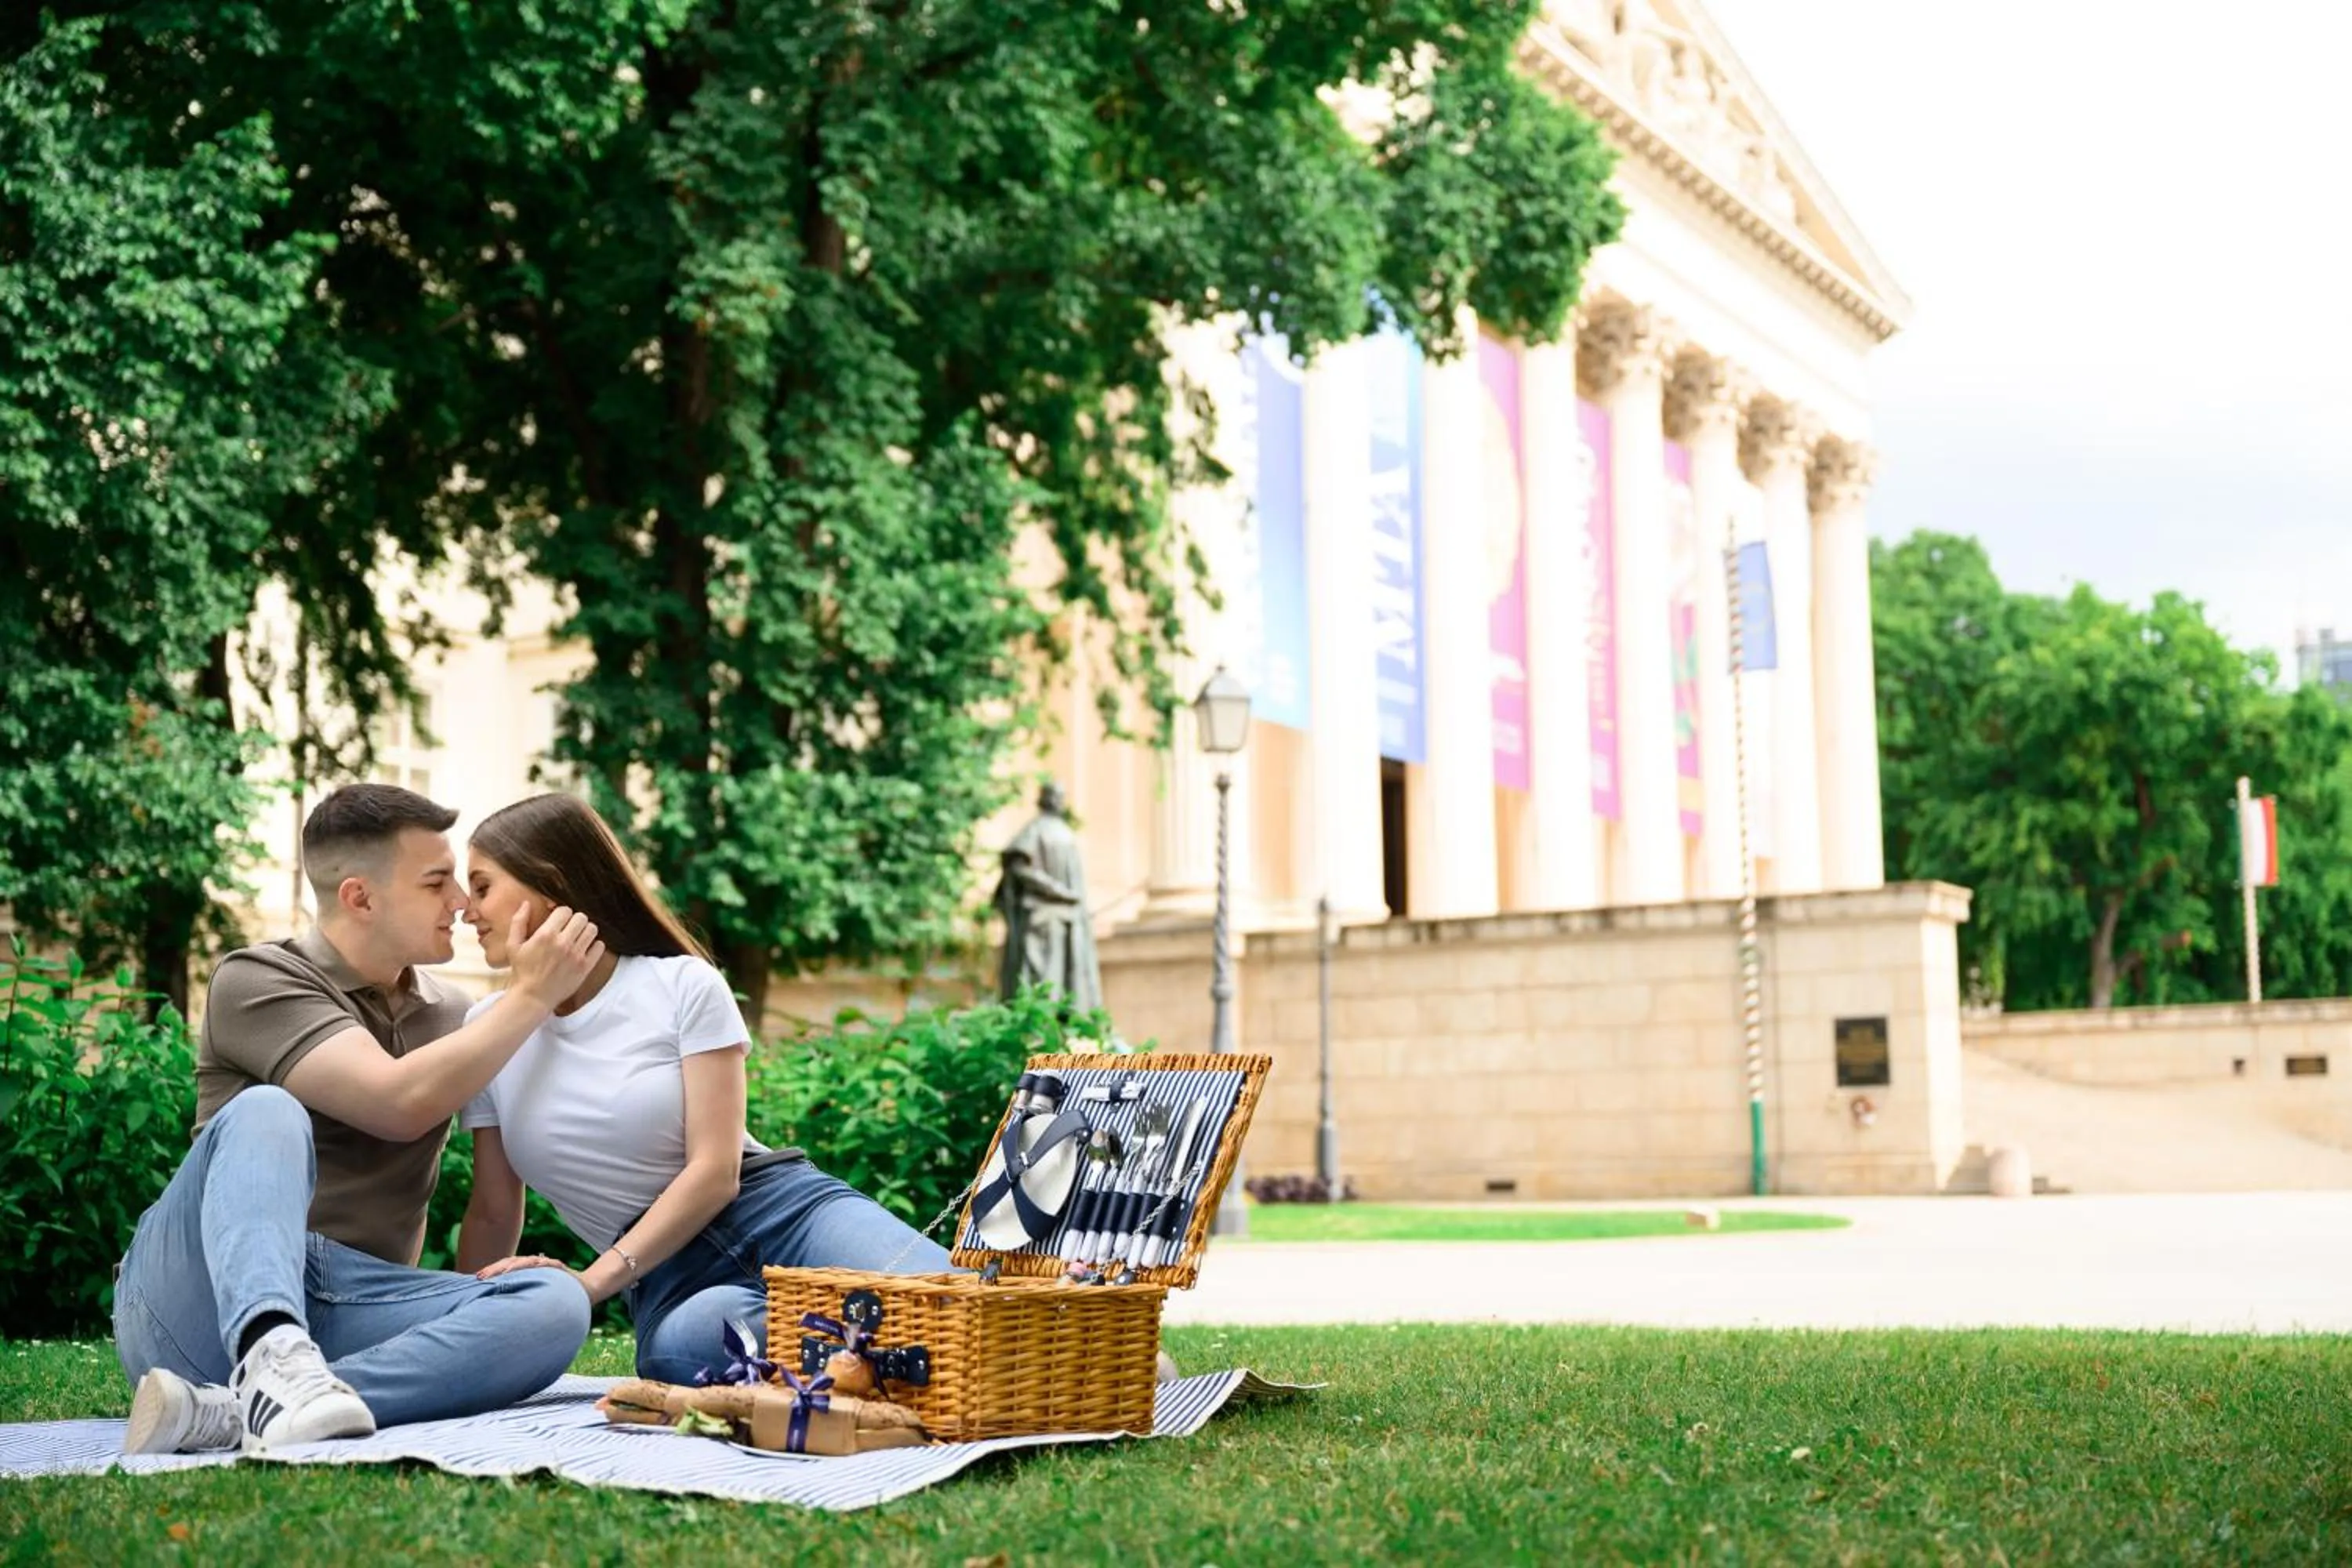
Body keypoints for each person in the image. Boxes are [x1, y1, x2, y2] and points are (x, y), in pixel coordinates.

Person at [115, 784, 609, 1454]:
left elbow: (496, 1203)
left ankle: (236, 1411)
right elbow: (397, 1104)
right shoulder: (255, 979)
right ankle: (267, 1353)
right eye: (436, 882)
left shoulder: (457, 1017)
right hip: (198, 1301)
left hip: (351, 1308)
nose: (461, 903)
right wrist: (531, 996)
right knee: (265, 1110)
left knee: (555, 1301)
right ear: (360, 897)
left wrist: (486, 1308)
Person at [452, 793, 952, 1385]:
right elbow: (492, 1210)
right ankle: (877, 1365)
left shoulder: (681, 984)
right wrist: (467, 1332)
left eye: (482, 887)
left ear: (550, 885)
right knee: (691, 1347)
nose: (466, 910)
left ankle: (890, 1359)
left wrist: (589, 1284)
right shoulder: (486, 1031)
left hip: (780, 1210)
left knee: (954, 1303)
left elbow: (716, 1172)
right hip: (668, 1275)